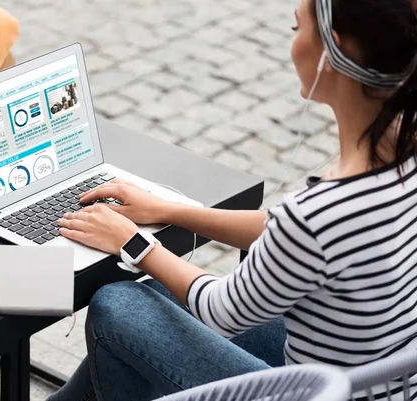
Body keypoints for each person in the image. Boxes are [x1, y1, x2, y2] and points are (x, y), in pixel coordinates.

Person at [48, 0, 417, 400]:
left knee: (118, 305)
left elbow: (223, 312)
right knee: (155, 298)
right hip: (374, 378)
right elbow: (290, 234)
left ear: (331, 53)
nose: (293, 43)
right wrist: (173, 211)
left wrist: (131, 241)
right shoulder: (402, 157)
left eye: (297, 29)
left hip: (315, 392)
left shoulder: (317, 214)